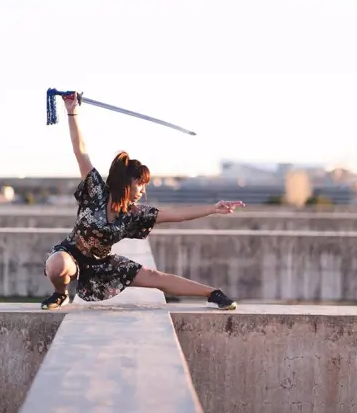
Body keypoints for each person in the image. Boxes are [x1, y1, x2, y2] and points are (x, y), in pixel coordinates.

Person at [41, 92, 244, 311]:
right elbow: (80, 150)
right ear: (126, 182)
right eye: (140, 184)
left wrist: (213, 209)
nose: (142, 190)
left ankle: (213, 293)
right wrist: (72, 110)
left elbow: (176, 214)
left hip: (102, 263)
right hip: (71, 253)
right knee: (57, 264)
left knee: (155, 277)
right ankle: (60, 294)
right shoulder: (96, 190)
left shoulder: (134, 214)